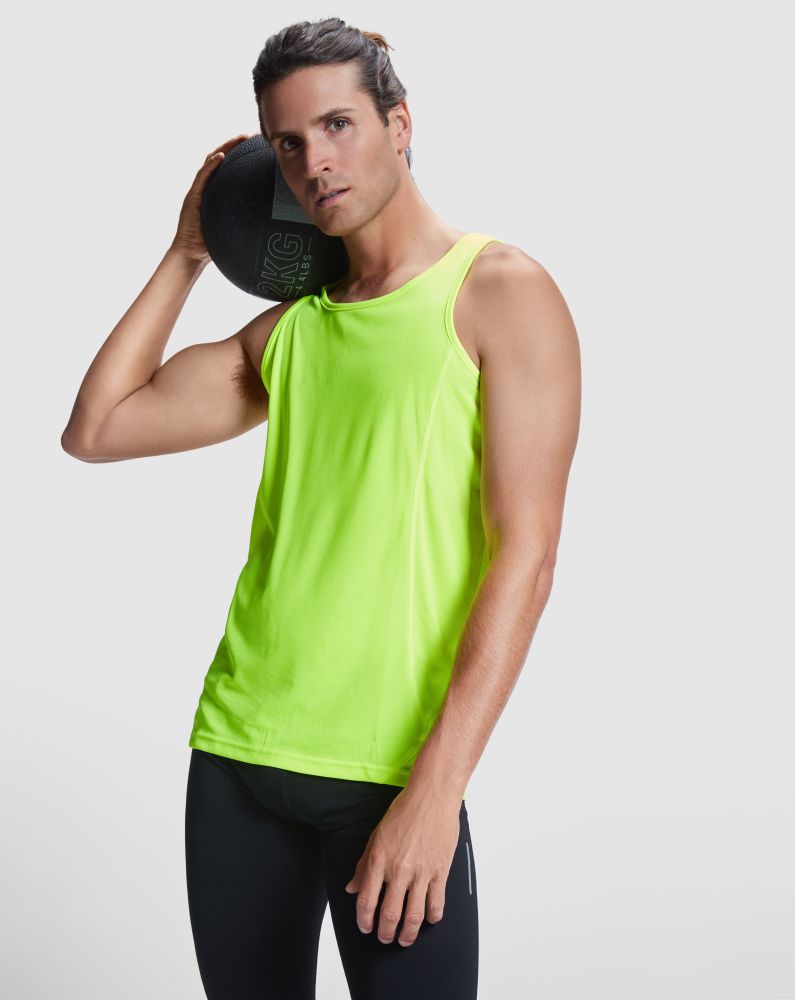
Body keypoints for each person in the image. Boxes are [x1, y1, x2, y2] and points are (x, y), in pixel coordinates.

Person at [61, 16, 581, 1000]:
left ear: (399, 124)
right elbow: (98, 427)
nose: (315, 162)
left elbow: (528, 557)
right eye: (288, 142)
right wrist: (187, 251)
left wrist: (435, 793)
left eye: (338, 124)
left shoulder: (498, 293)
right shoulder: (289, 333)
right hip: (238, 758)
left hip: (391, 772)